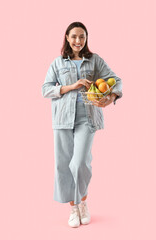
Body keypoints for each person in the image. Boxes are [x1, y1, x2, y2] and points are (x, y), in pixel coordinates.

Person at [41, 21, 123, 228]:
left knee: (80, 163)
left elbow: (115, 80)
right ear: (67, 38)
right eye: (74, 36)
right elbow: (46, 89)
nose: (78, 40)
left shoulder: (95, 60)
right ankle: (74, 207)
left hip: (87, 118)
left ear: (86, 39)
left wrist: (110, 96)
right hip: (62, 119)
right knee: (63, 165)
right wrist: (71, 86)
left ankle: (82, 201)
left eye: (82, 37)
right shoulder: (57, 63)